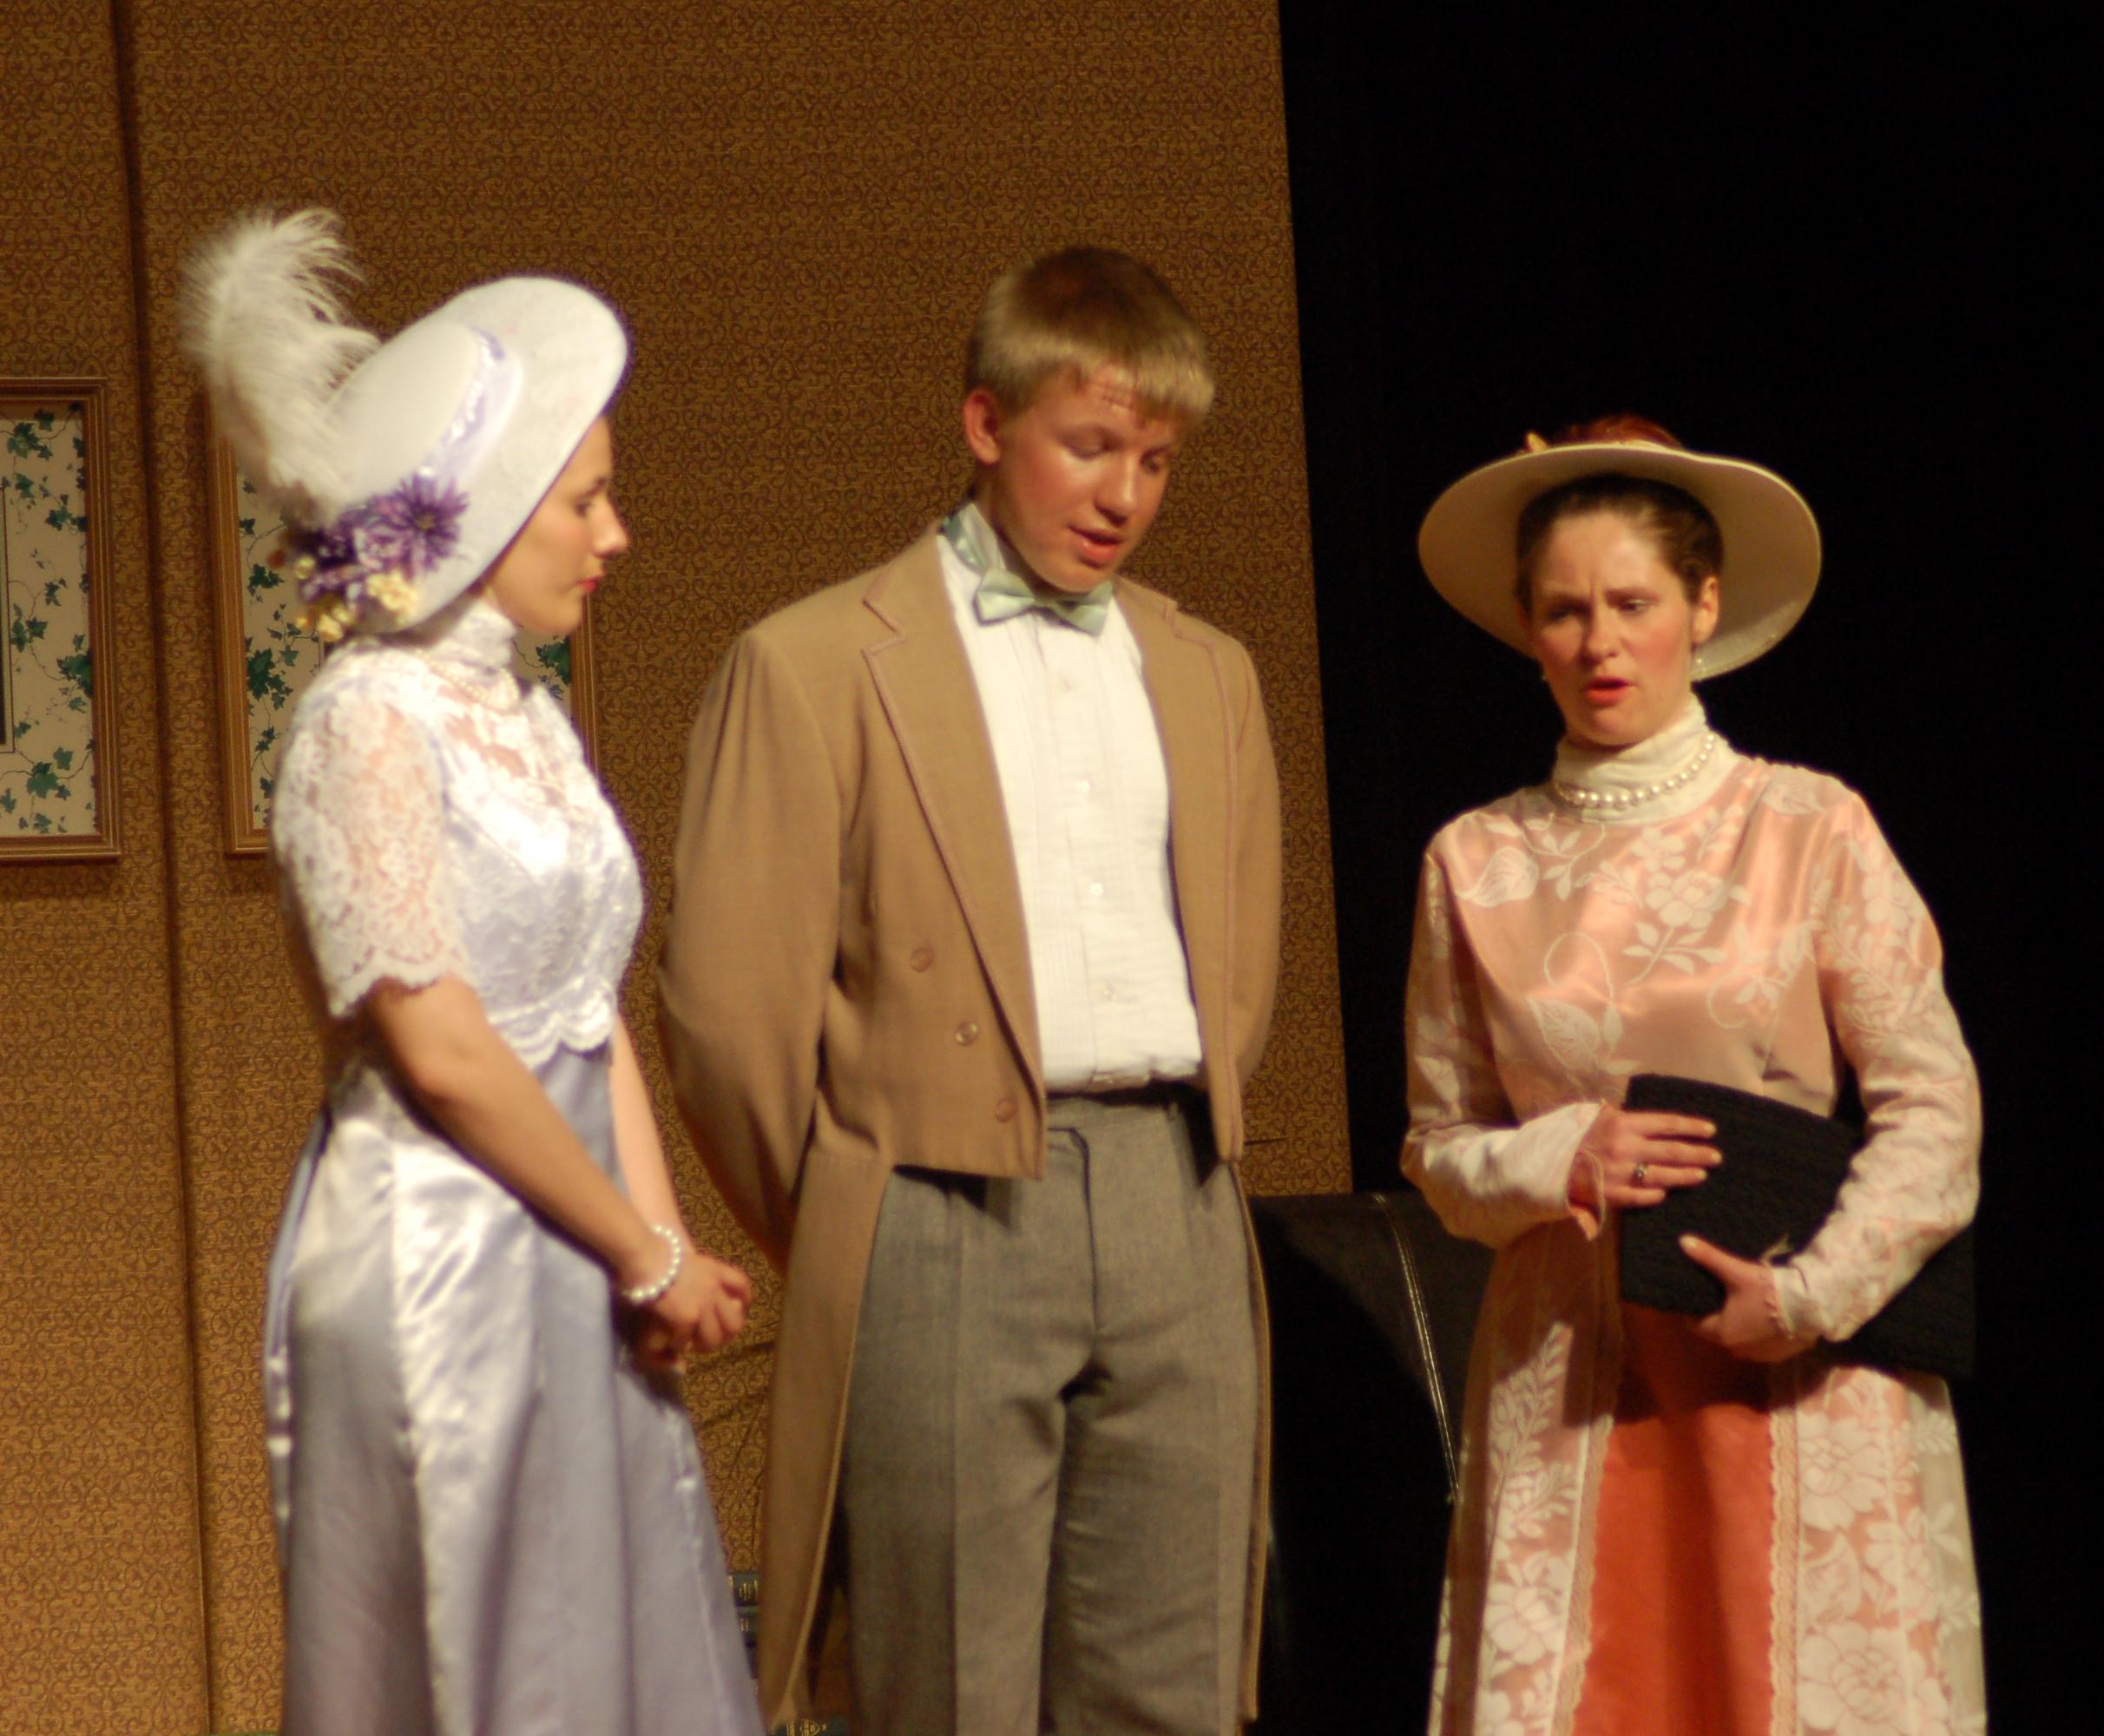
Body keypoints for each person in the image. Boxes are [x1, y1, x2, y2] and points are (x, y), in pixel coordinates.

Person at [660, 247, 1280, 1736]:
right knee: (945, 1681)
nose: (1123, 495)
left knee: (1175, 1673)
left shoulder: (1208, 670)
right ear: (987, 424)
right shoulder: (814, 662)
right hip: (935, 1204)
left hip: (1176, 1194)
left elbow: (1242, 966)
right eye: (1091, 446)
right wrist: (856, 1219)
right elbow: (731, 1021)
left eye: (1155, 461)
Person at [182, 209, 759, 1734]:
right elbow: (440, 1049)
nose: (614, 536)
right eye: (585, 500)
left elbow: (585, 998)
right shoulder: (366, 720)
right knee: (488, 1670)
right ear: (490, 512)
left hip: (579, 1244)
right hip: (442, 1252)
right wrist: (638, 1252)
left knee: (618, 1655)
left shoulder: (529, 715)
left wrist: (656, 1246)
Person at [1403, 418, 1985, 1736]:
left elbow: (1935, 1106)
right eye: (1565, 611)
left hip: (1794, 1367)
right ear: (1527, 626)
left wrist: (1813, 1293)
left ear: (1702, 607)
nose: (1598, 644)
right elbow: (1438, 1144)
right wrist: (1562, 1154)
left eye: (1633, 604)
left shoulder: (1807, 825)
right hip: (1574, 1376)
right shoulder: (1474, 861)